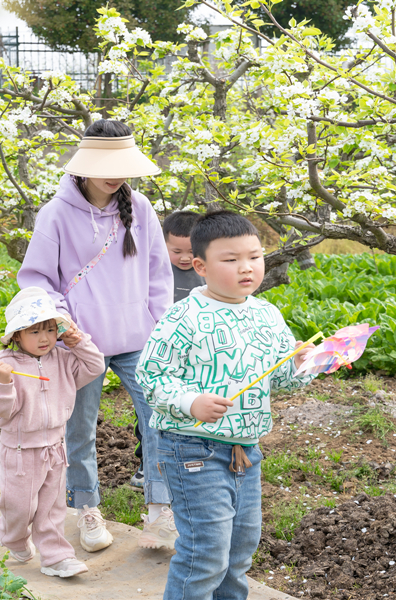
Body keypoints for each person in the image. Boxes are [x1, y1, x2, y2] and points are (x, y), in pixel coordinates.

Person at [136, 210, 316, 600]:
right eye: (231, 260)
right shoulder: (183, 317)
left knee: (238, 550)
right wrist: (190, 401)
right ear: (200, 266)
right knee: (206, 552)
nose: (246, 268)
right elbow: (150, 376)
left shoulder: (267, 315)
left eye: (254, 256)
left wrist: (302, 365)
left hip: (245, 452)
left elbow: (278, 379)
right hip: (192, 448)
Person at [17, 119, 174, 552]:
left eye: (123, 162)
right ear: (83, 165)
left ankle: (161, 511)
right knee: (80, 429)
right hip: (78, 342)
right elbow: (36, 279)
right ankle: (87, 509)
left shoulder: (140, 207)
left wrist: (160, 328)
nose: (116, 172)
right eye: (106, 162)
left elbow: (159, 274)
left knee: (159, 418)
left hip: (138, 338)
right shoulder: (55, 213)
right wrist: (65, 324)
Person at [0, 287, 105, 578]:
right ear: (16, 335)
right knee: (19, 507)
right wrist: (3, 383)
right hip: (20, 451)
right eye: (35, 332)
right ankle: (13, 536)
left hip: (55, 447)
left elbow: (96, 365)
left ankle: (56, 557)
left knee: (51, 507)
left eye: (51, 330)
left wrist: (78, 342)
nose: (45, 338)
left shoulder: (62, 360)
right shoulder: (4, 366)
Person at [128, 209, 206, 490]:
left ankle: (189, 460)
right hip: (161, 354)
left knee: (191, 407)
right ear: (163, 245)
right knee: (150, 410)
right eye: (176, 251)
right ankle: (146, 462)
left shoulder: (205, 274)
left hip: (196, 356)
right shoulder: (159, 271)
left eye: (191, 251)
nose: (185, 257)